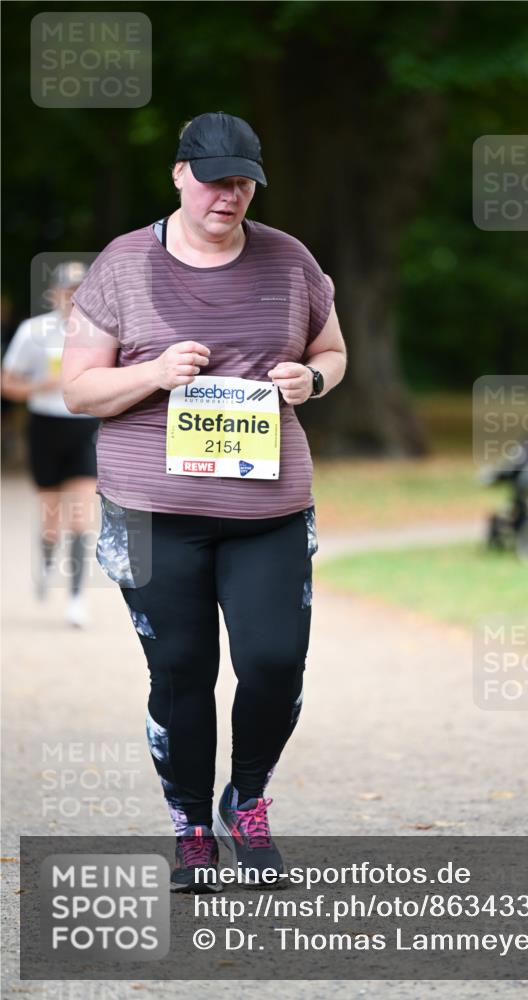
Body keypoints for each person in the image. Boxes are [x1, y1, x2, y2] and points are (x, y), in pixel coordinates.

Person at [61, 111, 347, 891]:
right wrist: (153, 374)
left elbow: (332, 347)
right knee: (183, 671)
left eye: (244, 181)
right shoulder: (121, 266)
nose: (230, 194)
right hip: (156, 513)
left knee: (273, 662)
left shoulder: (289, 260)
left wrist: (312, 378)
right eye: (216, 177)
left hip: (268, 511)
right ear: (179, 174)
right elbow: (79, 389)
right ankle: (190, 824)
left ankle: (245, 800)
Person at [2, 263, 99, 627]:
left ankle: (76, 598)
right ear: (54, 294)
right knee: (51, 517)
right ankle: (45, 557)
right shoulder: (33, 331)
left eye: (80, 290)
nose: (73, 297)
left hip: (84, 426)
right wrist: (41, 385)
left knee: (81, 514)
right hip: (44, 427)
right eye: (67, 290)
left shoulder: (101, 332)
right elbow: (7, 383)